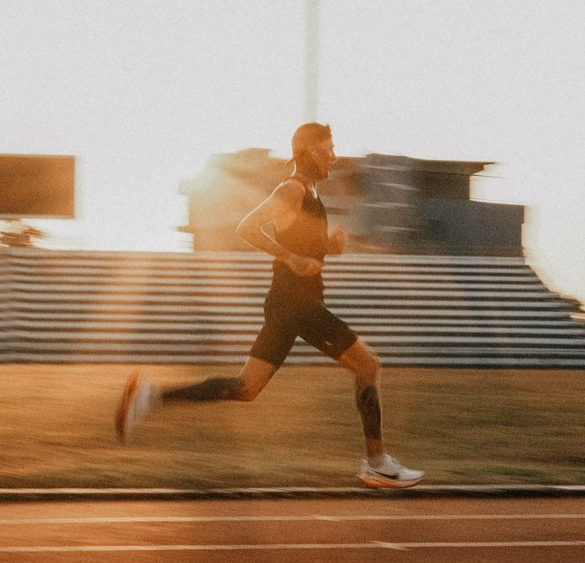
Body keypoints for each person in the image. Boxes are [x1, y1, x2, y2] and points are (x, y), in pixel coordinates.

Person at [115, 122, 423, 489]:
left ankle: (152, 396)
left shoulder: (308, 191)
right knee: (368, 364)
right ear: (309, 151)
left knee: (246, 388)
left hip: (290, 305)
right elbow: (247, 227)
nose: (334, 157)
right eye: (329, 149)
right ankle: (377, 463)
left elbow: (304, 242)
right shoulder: (292, 189)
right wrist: (291, 259)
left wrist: (329, 247)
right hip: (297, 304)